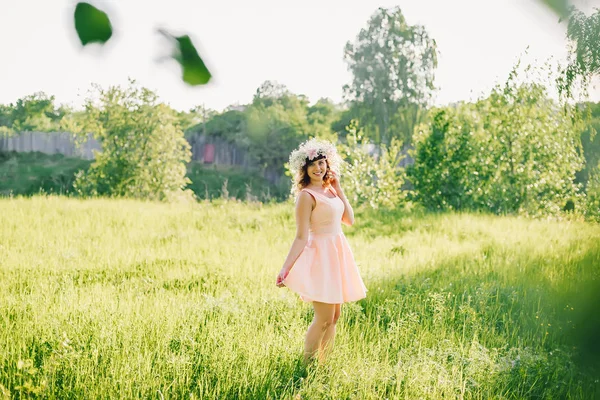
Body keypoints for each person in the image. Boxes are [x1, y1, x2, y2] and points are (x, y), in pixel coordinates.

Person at [276, 138, 367, 363]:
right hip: (321, 257)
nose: (318, 168)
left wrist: (339, 189)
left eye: (321, 163)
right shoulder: (306, 196)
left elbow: (349, 220)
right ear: (305, 169)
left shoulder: (330, 191)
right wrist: (286, 267)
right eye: (313, 164)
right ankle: (307, 365)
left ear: (328, 164)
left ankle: (324, 364)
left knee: (334, 316)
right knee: (324, 317)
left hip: (337, 253)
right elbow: (300, 236)